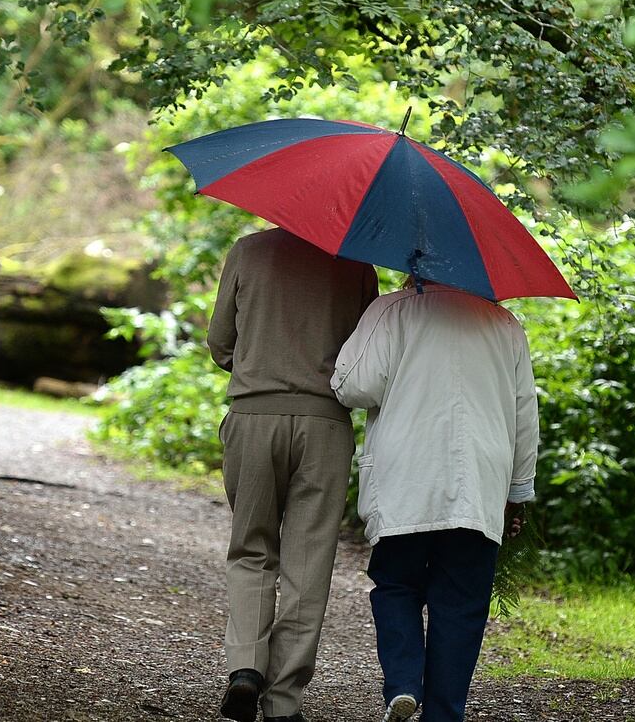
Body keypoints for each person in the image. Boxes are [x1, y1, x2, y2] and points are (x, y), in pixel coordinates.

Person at [331, 278, 537, 722]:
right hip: (480, 484)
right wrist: (518, 493)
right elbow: (525, 417)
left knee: (396, 584)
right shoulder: (505, 325)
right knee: (461, 603)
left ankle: (404, 684)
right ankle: (443, 714)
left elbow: (354, 387)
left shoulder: (392, 311)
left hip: (408, 480)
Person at [208, 227, 379, 722]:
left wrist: (258, 362)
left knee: (251, 549)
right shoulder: (358, 267)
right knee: (308, 562)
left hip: (254, 416)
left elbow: (221, 345)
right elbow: (363, 359)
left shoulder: (249, 251)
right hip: (325, 426)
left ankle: (245, 669)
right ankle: (283, 701)